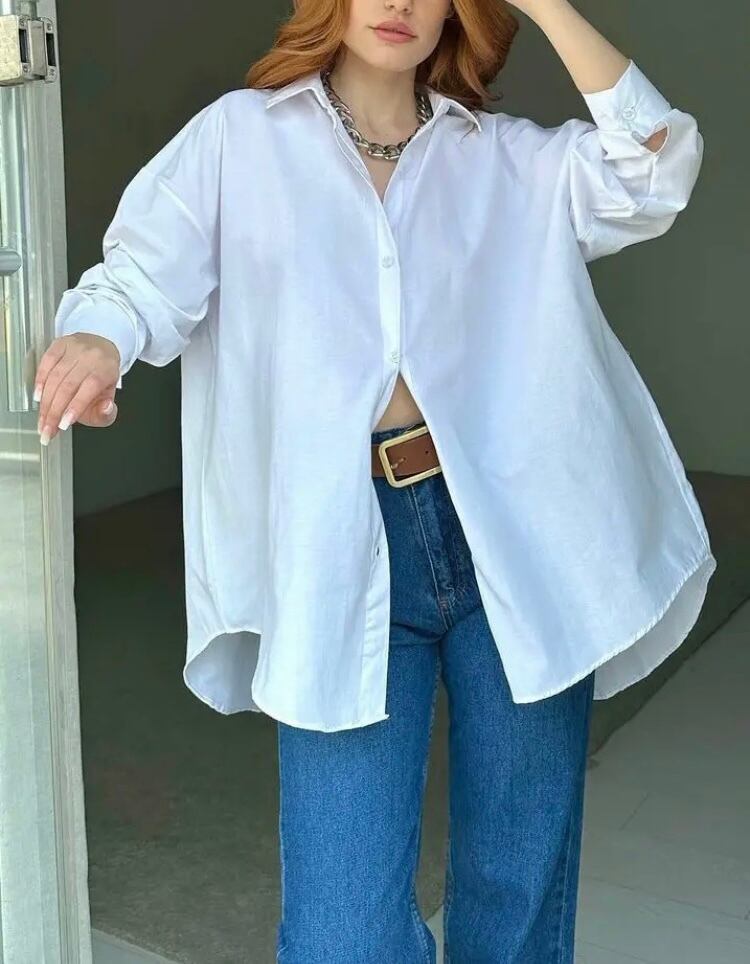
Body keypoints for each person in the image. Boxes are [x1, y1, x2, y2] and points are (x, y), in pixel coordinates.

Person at [34, 0, 717, 960]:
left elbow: (655, 170)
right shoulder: (240, 140)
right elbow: (139, 276)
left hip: (515, 534)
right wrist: (100, 339)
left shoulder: (506, 159)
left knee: (516, 893)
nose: (397, 2)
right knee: (341, 931)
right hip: (343, 542)